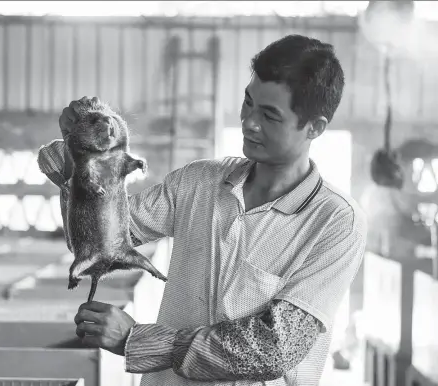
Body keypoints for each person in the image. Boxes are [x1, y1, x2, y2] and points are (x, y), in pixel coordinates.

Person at [38, 34, 367, 386]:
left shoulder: (336, 222)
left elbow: (274, 347)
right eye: (248, 102)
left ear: (315, 127)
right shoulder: (199, 182)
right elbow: (99, 244)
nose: (249, 122)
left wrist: (135, 340)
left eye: (270, 115)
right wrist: (84, 155)